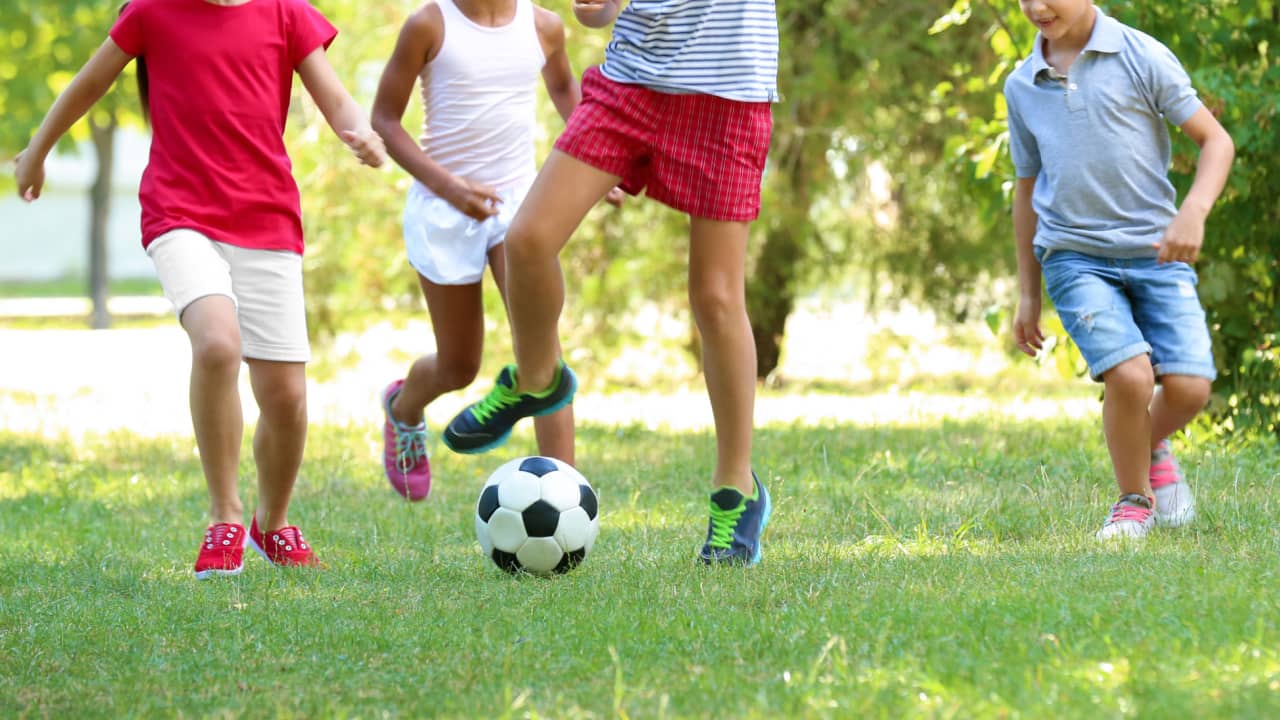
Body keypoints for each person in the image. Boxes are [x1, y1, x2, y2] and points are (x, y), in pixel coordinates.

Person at [13, 0, 387, 578]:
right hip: (180, 212)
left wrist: (358, 131)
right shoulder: (151, 12)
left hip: (266, 217)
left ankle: (274, 520)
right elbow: (88, 83)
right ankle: (224, 517)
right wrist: (36, 151)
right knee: (217, 344)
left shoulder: (286, 13)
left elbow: (333, 97)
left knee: (285, 398)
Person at [442, 0, 779, 565]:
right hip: (632, 83)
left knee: (717, 297)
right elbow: (598, 15)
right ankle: (536, 379)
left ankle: (736, 490)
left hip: (728, 93)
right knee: (527, 241)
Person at [369, 0, 620, 501]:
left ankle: (563, 492)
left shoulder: (544, 26)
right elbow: (385, 120)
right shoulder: (429, 24)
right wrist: (451, 188)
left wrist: (599, 158)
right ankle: (403, 407)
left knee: (542, 350)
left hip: (518, 210)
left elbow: (566, 88)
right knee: (459, 365)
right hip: (444, 209)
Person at [1005, 1, 1234, 538]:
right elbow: (1025, 190)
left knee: (1191, 387)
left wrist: (1193, 213)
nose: (1037, 6)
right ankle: (1134, 500)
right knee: (1130, 379)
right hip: (1073, 255)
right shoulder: (1022, 84)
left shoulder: (1140, 55)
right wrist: (1028, 294)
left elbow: (1216, 141)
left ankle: (1146, 443)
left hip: (1159, 253)